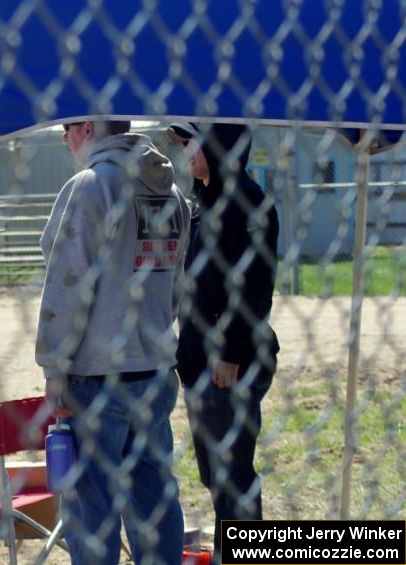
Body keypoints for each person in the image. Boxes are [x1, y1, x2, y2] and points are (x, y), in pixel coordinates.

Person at [38, 120, 190, 565]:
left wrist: (54, 366)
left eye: (67, 129)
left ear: (86, 128)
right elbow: (176, 283)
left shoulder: (89, 187)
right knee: (154, 501)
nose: (65, 139)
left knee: (92, 510)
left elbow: (67, 284)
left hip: (96, 375)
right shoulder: (171, 193)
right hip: (155, 369)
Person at [169, 122, 279, 563]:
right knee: (215, 474)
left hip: (230, 363)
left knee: (233, 473)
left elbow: (254, 287)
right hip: (198, 361)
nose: (186, 152)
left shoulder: (249, 204)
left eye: (192, 142)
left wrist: (231, 353)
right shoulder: (203, 203)